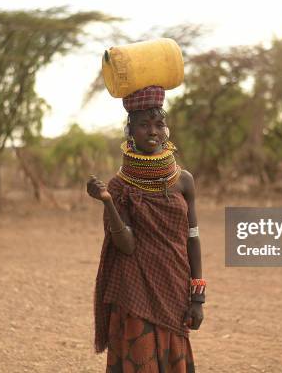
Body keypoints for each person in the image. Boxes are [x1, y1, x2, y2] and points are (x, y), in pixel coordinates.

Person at [87, 85, 206, 372]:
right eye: (143, 125)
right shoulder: (118, 186)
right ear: (130, 132)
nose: (153, 131)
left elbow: (193, 238)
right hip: (135, 288)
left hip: (174, 285)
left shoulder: (184, 181)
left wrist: (198, 297)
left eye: (159, 124)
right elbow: (126, 245)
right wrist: (108, 203)